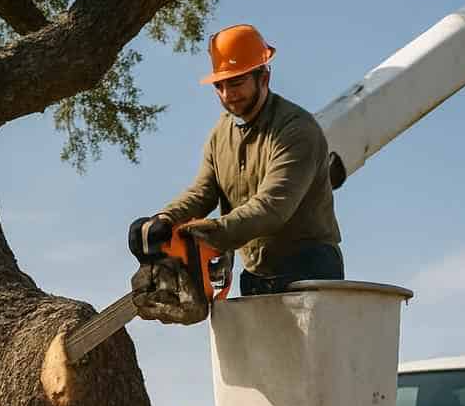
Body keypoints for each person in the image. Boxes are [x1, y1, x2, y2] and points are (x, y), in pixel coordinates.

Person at [128, 24, 343, 301]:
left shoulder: (297, 130)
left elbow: (272, 207)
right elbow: (203, 192)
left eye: (237, 82)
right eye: (220, 85)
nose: (228, 95)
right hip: (256, 273)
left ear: (264, 76)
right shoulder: (220, 135)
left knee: (314, 347)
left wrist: (210, 235)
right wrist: (165, 220)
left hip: (310, 268)